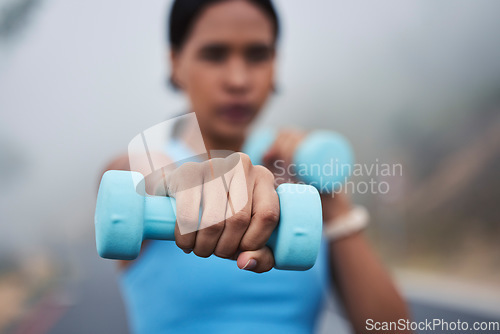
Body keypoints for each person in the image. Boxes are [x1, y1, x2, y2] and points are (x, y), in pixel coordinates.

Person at [104, 0, 409, 333]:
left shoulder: (296, 177)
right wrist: (174, 176)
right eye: (214, 54)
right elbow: (129, 172)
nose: (238, 80)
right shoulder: (146, 163)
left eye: (257, 55)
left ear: (275, 65)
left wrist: (333, 205)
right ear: (176, 64)